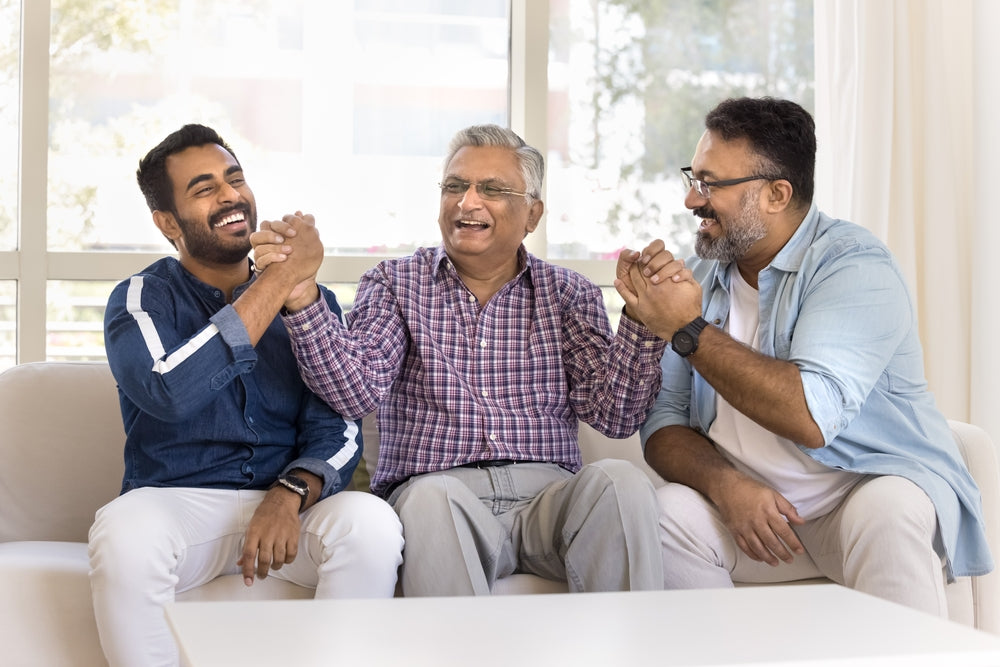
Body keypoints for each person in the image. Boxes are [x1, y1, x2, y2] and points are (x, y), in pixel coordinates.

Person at [251, 123, 667, 596]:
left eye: (491, 189)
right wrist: (303, 297)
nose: (467, 202)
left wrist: (642, 323)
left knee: (622, 481)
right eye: (455, 186)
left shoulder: (569, 293)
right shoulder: (395, 283)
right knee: (432, 497)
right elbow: (356, 391)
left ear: (532, 213)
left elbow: (615, 417)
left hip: (550, 497)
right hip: (439, 492)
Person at [617, 97, 993, 615]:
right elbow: (661, 425)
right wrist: (727, 486)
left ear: (776, 194)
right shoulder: (699, 278)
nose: (690, 200)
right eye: (692, 177)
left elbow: (810, 416)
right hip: (749, 512)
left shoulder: (853, 266)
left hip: (853, 497)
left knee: (891, 510)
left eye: (710, 184)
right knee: (663, 514)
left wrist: (684, 326)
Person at [89, 124, 404, 667]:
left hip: (286, 508)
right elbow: (167, 390)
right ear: (167, 223)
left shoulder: (311, 300)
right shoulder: (142, 297)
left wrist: (289, 493)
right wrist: (274, 284)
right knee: (122, 533)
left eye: (235, 179)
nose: (231, 195)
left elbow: (341, 423)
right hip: (176, 506)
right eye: (204, 188)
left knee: (370, 525)